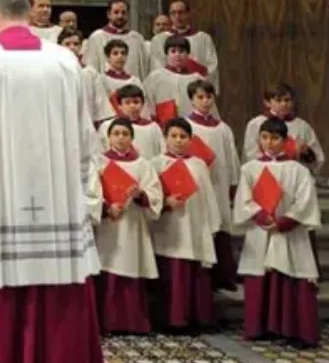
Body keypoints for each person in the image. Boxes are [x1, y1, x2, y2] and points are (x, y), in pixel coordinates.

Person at [0, 0, 103, 363]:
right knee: (59, 279)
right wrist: (82, 189)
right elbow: (85, 133)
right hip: (58, 198)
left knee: (0, 276)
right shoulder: (65, 60)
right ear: (30, 16)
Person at [233, 117, 322, 347]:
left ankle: (295, 330)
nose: (269, 143)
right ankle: (260, 327)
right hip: (261, 230)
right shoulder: (250, 169)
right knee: (260, 274)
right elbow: (244, 200)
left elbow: (305, 202)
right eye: (264, 137)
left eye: (275, 138)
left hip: (289, 233)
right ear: (259, 139)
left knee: (292, 273)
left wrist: (283, 222)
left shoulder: (299, 170)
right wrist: (262, 216)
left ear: (285, 141)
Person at [150, 118, 221, 331]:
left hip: (195, 225)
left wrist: (213, 224)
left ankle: (196, 318)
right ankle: (172, 320)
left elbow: (208, 195)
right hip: (170, 226)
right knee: (172, 274)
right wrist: (165, 203)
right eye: (174, 136)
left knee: (196, 274)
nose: (178, 141)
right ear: (165, 138)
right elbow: (151, 197)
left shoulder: (198, 164)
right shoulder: (156, 163)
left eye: (183, 137)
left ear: (191, 139)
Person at [93, 118, 162, 335]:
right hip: (109, 226)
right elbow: (91, 192)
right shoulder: (100, 163)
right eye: (116, 133)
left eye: (125, 134)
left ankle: (134, 322)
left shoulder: (143, 164)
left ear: (132, 137)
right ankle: (108, 322)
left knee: (131, 267)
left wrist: (141, 195)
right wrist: (106, 207)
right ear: (108, 137)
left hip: (133, 225)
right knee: (109, 269)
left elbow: (155, 192)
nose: (121, 138)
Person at [185, 80, 240, 291]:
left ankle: (224, 276)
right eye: (200, 97)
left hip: (219, 183)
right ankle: (202, 278)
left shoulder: (223, 128)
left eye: (209, 97)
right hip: (197, 185)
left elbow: (231, 158)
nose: (205, 101)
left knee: (222, 226)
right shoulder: (186, 126)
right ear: (191, 99)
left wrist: (233, 183)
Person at [242, 83, 324, 172]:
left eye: (287, 100)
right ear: (267, 102)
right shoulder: (256, 124)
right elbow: (250, 155)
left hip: (294, 176)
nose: (284, 104)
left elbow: (318, 159)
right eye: (278, 100)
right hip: (265, 176)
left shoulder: (303, 126)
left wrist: (306, 153)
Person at [143, 36, 215, 125]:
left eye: (181, 51)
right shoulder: (155, 77)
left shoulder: (197, 79)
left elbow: (208, 106)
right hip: (162, 126)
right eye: (173, 51)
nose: (177, 55)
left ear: (188, 54)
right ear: (167, 54)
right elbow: (146, 103)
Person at [150, 0, 220, 90]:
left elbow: (212, 67)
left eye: (181, 12)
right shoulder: (159, 39)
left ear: (188, 14)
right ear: (169, 16)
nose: (177, 16)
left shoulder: (203, 38)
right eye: (173, 13)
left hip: (196, 89)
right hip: (170, 88)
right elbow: (157, 67)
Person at [59, 29, 114, 126]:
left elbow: (100, 105)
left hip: (86, 125)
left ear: (81, 46)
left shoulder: (90, 73)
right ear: (59, 46)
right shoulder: (54, 72)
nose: (72, 47)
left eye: (76, 44)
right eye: (67, 44)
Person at [84, 0, 148, 78]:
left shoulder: (137, 38)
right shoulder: (97, 37)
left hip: (132, 88)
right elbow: (91, 69)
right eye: (116, 12)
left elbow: (144, 69)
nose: (120, 16)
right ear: (108, 14)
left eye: (123, 12)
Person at [99, 85, 163, 159]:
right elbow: (101, 152)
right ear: (119, 105)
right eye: (127, 103)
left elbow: (161, 152)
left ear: (142, 104)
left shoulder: (153, 127)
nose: (132, 106)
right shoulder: (107, 126)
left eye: (136, 102)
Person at [97, 39, 145, 118]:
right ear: (108, 57)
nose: (120, 56)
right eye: (115, 53)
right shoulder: (101, 79)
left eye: (123, 53)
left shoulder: (135, 81)